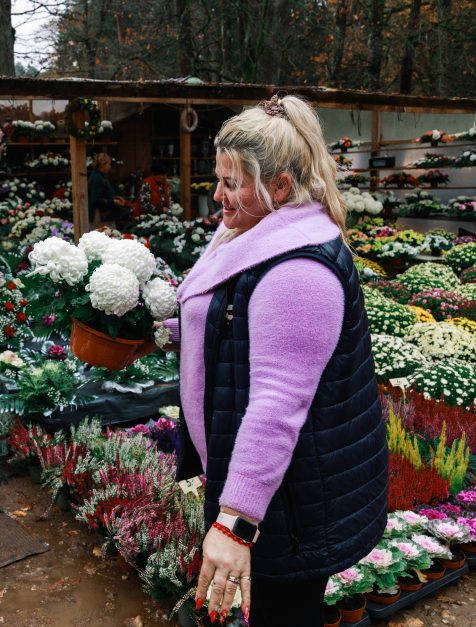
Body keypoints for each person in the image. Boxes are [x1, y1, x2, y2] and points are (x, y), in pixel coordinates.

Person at [164, 95, 387, 626]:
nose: (217, 195)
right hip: (272, 486)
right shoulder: (256, 226)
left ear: (281, 187)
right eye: (217, 178)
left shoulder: (298, 269)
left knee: (283, 613)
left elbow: (277, 403)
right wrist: (169, 333)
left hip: (290, 500)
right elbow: (237, 318)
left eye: (231, 183)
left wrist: (234, 524)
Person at [87, 152, 127, 223]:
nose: (110, 167)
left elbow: (105, 193)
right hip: (99, 215)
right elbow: (96, 199)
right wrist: (113, 201)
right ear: (102, 165)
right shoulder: (96, 178)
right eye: (108, 164)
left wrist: (115, 198)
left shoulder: (101, 176)